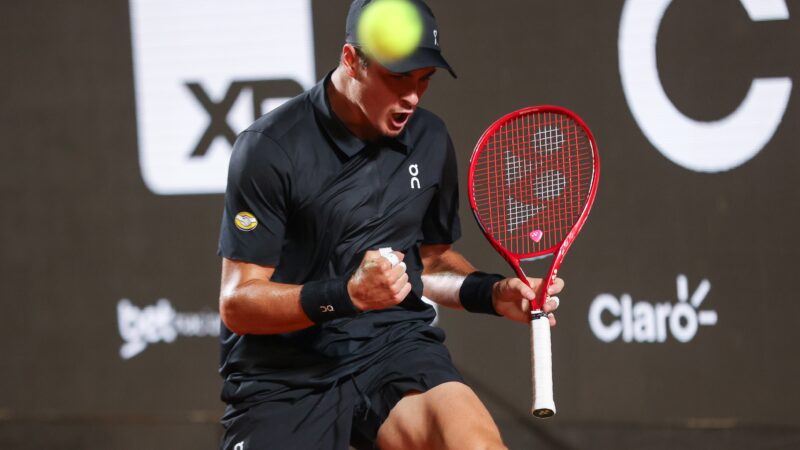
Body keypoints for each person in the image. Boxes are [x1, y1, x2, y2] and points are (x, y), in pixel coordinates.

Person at [216, 1, 563, 448]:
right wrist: (348, 294)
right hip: (284, 374)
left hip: (392, 347)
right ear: (351, 60)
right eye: (398, 78)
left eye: (424, 80)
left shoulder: (430, 138)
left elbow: (429, 265)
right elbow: (238, 303)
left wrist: (492, 294)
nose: (413, 97)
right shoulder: (271, 148)